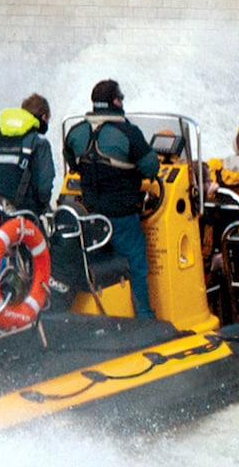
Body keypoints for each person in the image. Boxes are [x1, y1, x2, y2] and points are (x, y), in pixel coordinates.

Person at [63, 79, 159, 318]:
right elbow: (151, 168)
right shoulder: (128, 132)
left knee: (99, 268)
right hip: (122, 216)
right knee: (136, 266)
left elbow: (72, 162)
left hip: (92, 217)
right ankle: (144, 319)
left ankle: (104, 317)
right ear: (116, 101)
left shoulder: (76, 131)